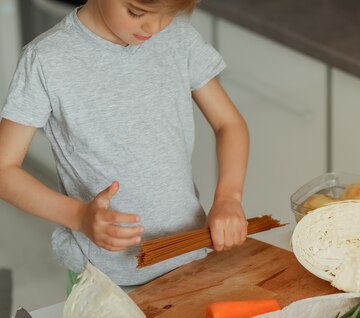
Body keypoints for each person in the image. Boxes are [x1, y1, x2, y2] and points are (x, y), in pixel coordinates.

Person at [0, 0, 249, 288]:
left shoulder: (177, 37)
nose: (155, 27)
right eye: (137, 12)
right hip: (103, 278)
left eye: (168, 14)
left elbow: (229, 124)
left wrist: (228, 198)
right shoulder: (46, 59)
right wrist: (79, 216)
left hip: (189, 257)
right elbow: (4, 170)